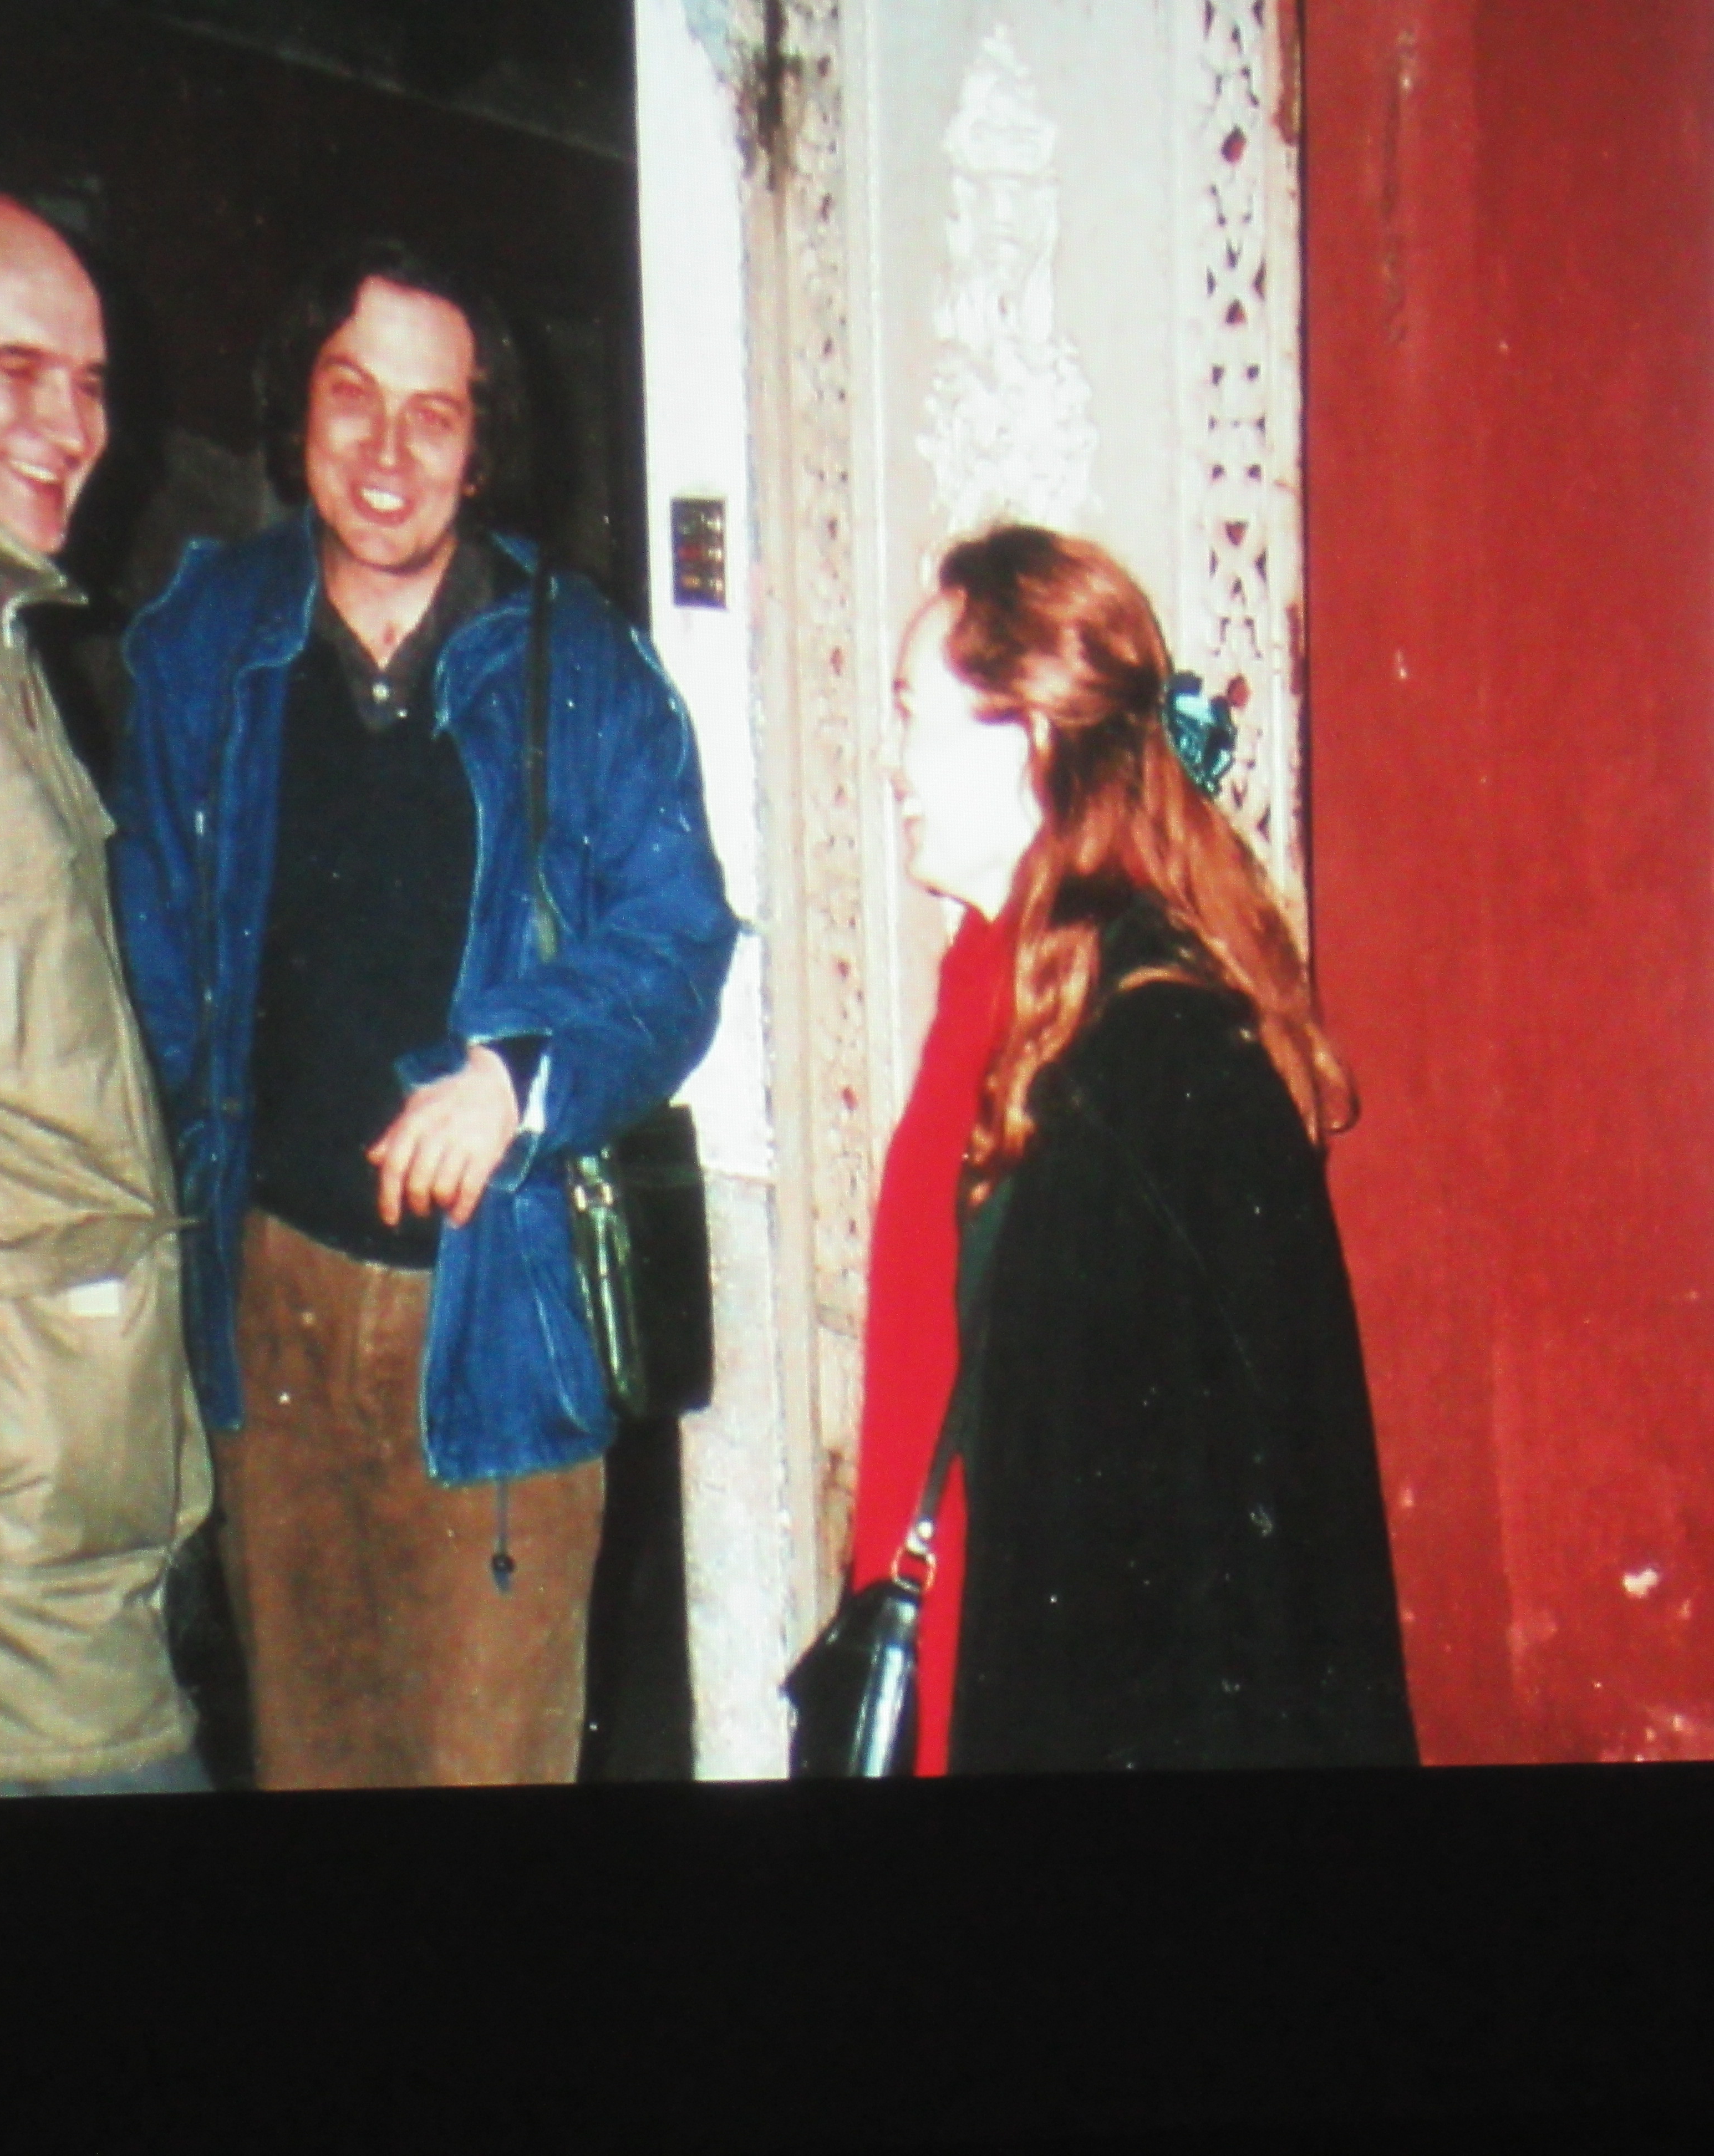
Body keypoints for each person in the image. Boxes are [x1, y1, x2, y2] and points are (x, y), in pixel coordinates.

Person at [110, 239, 735, 1788]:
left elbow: (676, 943)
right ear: (300, 409)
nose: (387, 451)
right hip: (270, 1313)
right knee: (309, 1760)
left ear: (481, 445)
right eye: (353, 395)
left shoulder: (582, 663)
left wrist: (520, 1074)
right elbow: (153, 968)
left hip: (496, 1315)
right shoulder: (204, 641)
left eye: (433, 413)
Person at [851, 522, 1415, 1772]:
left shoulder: (1153, 1047)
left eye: (910, 716)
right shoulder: (995, 982)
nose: (889, 761)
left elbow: (1213, 1544)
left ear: (1029, 740)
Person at [0, 184, 212, 1797]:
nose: (71, 427)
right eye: (17, 370)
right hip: (7, 1538)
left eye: (91, 383)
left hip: (77, 1496)